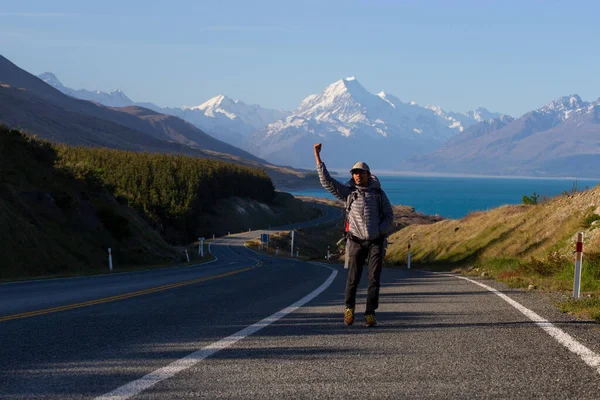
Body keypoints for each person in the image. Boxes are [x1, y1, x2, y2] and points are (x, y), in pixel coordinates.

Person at [313, 143, 394, 327]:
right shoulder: (348, 193)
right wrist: (317, 156)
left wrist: (381, 230)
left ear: (368, 174)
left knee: (374, 279)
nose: (357, 175)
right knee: (353, 278)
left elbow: (389, 215)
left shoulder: (378, 194)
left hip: (376, 242)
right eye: (354, 173)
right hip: (356, 241)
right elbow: (327, 181)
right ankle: (349, 309)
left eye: (360, 172)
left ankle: (370, 313)